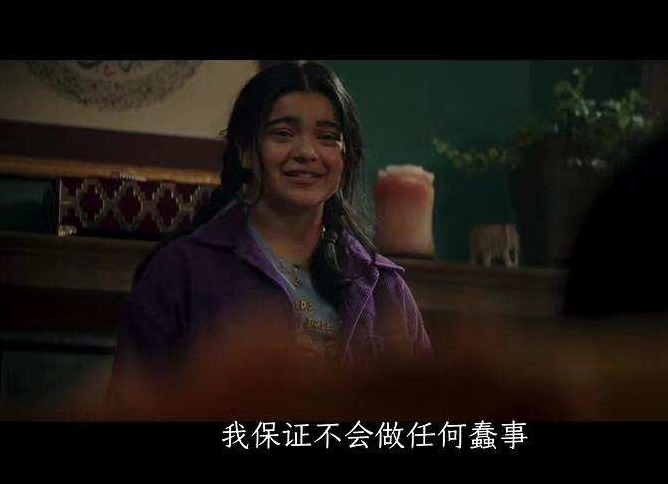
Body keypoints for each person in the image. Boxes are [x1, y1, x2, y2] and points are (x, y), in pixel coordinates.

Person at [111, 62, 432, 395]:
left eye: (327, 137)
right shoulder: (179, 272)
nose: (307, 152)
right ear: (245, 151)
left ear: (345, 158)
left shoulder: (382, 287)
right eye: (283, 134)